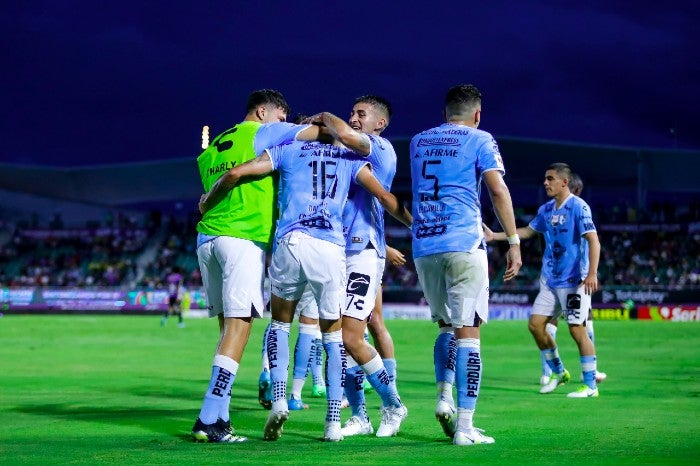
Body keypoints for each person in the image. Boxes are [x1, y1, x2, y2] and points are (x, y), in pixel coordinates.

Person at [198, 111, 412, 442]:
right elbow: (384, 198)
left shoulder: (287, 150)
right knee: (334, 337)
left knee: (280, 325)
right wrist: (416, 226)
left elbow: (238, 172)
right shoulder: (349, 155)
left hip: (289, 244)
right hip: (329, 248)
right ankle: (331, 424)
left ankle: (280, 400)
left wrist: (208, 199)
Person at [190, 89, 323, 443]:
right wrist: (315, 125)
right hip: (242, 238)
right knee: (240, 328)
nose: (286, 126)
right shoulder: (263, 133)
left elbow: (216, 184)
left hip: (208, 239)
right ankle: (208, 418)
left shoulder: (218, 141)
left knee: (226, 332)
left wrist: (206, 203)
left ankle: (220, 417)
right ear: (264, 112)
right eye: (282, 118)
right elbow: (320, 135)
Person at [409, 84, 522, 446]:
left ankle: (444, 399)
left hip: (425, 245)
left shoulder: (418, 141)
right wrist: (513, 240)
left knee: (445, 328)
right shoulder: (480, 139)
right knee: (468, 332)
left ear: (444, 114)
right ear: (477, 115)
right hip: (462, 241)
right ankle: (465, 426)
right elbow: (497, 190)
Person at [484, 163, 602, 398]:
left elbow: (593, 240)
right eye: (545, 179)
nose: (545, 183)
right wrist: (496, 236)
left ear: (564, 182)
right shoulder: (546, 210)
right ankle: (559, 372)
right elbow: (528, 231)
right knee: (536, 325)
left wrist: (591, 274)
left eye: (550, 179)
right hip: (551, 280)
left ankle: (590, 385)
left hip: (574, 281)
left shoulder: (579, 207)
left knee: (577, 330)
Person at [338, 95, 408, 438]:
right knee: (340, 339)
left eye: (360, 114)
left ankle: (393, 404)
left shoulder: (379, 148)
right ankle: (360, 417)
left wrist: (320, 120)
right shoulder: (347, 153)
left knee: (353, 334)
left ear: (379, 123)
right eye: (351, 112)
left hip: (363, 250)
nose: (352, 118)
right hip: (336, 249)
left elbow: (384, 198)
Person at [536, 172, 606, 385]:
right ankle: (582, 375)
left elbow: (544, 243)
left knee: (554, 322)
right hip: (572, 275)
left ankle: (548, 372)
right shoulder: (574, 208)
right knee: (579, 323)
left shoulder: (549, 213)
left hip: (551, 272)